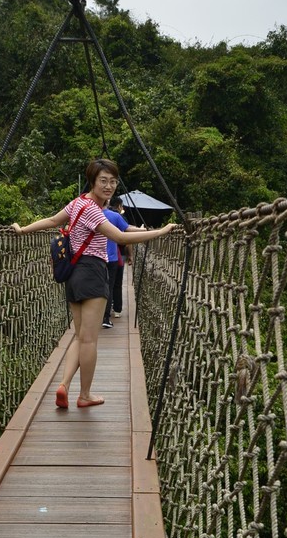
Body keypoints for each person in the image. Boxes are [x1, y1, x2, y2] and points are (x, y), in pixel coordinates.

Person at [11, 157, 176, 409]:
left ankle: (64, 385)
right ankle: (85, 394)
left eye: (112, 181)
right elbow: (120, 236)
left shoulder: (78, 203)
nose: (109, 186)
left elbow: (53, 221)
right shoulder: (92, 210)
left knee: (80, 336)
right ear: (92, 181)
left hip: (74, 275)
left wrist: (23, 229)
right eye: (103, 181)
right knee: (89, 339)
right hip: (92, 271)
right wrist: (161, 232)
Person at [102, 196, 144, 328]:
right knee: (111, 286)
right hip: (113, 258)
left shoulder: (90, 213)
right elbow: (126, 234)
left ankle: (93, 316)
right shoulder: (115, 217)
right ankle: (106, 317)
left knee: (98, 286)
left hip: (93, 259)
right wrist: (144, 230)